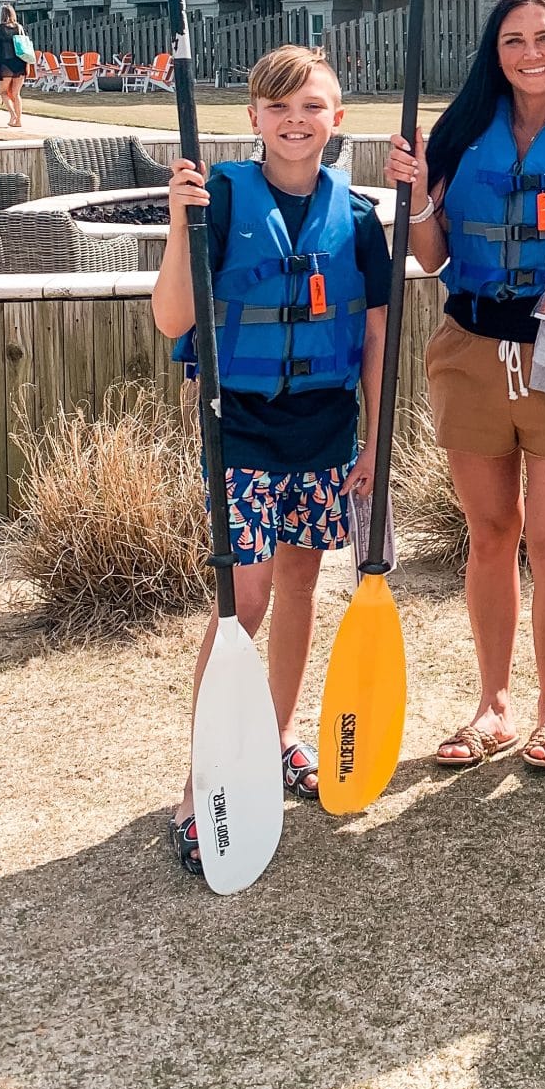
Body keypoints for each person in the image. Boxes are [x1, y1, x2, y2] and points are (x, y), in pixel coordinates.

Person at [386, 0, 545, 773]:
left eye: (544, 38)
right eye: (511, 41)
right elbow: (429, 257)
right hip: (469, 352)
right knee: (492, 535)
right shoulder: (458, 133)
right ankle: (492, 705)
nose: (529, 53)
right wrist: (417, 193)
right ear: (493, 54)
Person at [153, 46, 389, 876]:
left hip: (323, 426)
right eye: (278, 107)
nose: (296, 121)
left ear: (337, 119)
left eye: (312, 107)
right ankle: (201, 783)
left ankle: (279, 736)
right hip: (241, 423)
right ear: (253, 117)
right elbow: (171, 315)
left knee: (299, 583)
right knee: (241, 599)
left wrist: (373, 441)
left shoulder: (358, 218)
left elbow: (373, 335)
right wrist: (182, 230)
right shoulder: (216, 197)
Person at [0, 4, 29, 130]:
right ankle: (19, 120)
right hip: (20, 63)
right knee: (16, 93)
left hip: (5, 64)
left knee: (4, 92)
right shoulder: (19, 28)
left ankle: (12, 116)